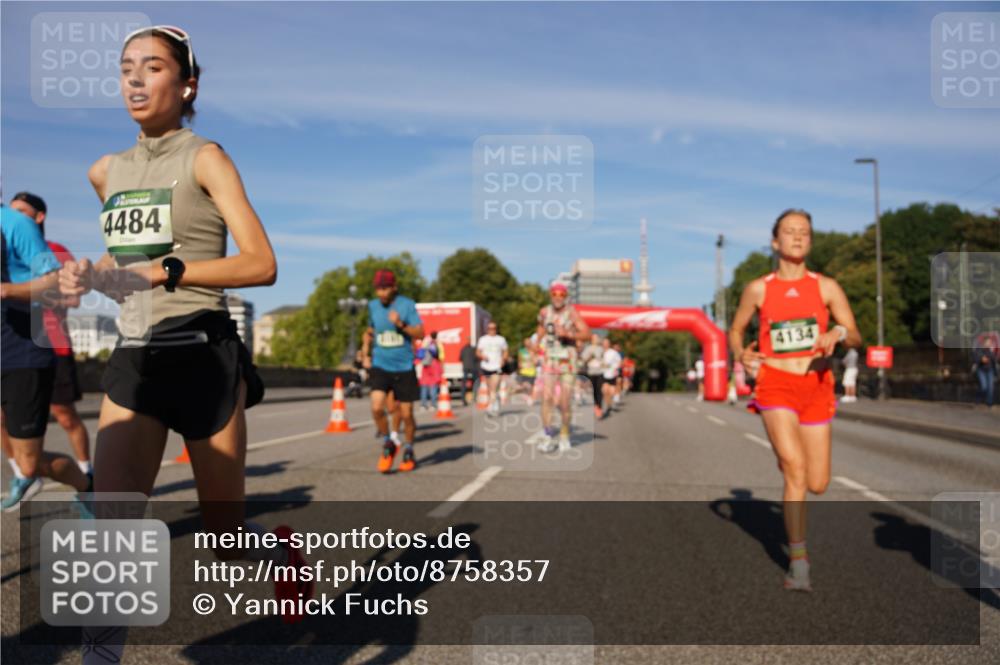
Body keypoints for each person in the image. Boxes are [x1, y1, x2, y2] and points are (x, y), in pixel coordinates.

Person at [57, 27, 311, 657]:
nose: (136, 80)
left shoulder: (207, 157)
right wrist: (88, 277)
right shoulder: (104, 172)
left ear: (187, 84)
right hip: (137, 358)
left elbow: (261, 264)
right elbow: (126, 269)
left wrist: (165, 271)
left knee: (224, 537)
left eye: (153, 67)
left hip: (203, 352)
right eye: (125, 70)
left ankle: (280, 552)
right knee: (113, 528)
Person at [729, 208, 861, 592]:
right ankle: (798, 560)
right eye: (790, 232)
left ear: (811, 240)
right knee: (795, 469)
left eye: (804, 232)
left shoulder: (826, 287)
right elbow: (736, 330)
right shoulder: (759, 288)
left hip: (817, 385)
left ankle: (791, 464)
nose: (798, 237)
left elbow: (855, 336)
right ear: (775, 241)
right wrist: (741, 353)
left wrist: (836, 332)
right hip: (775, 383)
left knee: (818, 482)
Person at [1, 205, 92, 512]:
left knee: (38, 453)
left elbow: (57, 284)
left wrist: (7, 291)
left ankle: (87, 485)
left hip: (22, 351)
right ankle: (22, 475)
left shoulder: (16, 225)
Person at [361, 269, 423, 473]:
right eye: (378, 289)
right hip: (381, 364)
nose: (381, 293)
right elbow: (370, 330)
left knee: (407, 414)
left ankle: (409, 448)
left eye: (385, 288)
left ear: (394, 287)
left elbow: (420, 331)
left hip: (404, 366)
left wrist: (400, 324)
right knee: (377, 407)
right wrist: (365, 351)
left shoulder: (407, 305)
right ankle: (388, 442)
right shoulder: (372, 306)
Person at [536, 282, 591, 452]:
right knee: (547, 398)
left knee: (564, 402)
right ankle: (547, 435)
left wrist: (568, 334)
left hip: (567, 361)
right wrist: (537, 346)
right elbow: (540, 329)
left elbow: (587, 334)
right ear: (551, 295)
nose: (558, 297)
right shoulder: (544, 312)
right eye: (555, 294)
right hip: (550, 360)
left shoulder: (571, 313)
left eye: (561, 295)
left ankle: (564, 434)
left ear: (565, 297)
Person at [476, 321, 508, 416]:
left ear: (496, 329)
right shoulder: (483, 339)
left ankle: (490, 406)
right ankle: (496, 402)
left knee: (494, 387)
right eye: (490, 328)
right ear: (487, 329)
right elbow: (478, 352)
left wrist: (503, 359)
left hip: (497, 366)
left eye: (493, 328)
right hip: (486, 366)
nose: (492, 330)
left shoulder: (501, 339)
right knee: (490, 388)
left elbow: (505, 351)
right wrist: (482, 356)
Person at [581, 333, 605, 419]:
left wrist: (603, 363)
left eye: (597, 338)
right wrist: (589, 357)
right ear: (591, 339)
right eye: (595, 338)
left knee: (599, 390)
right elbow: (583, 360)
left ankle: (599, 407)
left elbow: (604, 360)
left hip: (599, 372)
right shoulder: (588, 348)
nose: (596, 340)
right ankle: (594, 406)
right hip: (590, 372)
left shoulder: (601, 349)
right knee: (592, 391)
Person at [972, 337, 997, 410]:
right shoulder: (979, 350)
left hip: (990, 371)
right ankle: (977, 400)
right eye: (987, 342)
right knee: (984, 386)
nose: (988, 344)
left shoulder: (991, 351)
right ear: (984, 343)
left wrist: (996, 373)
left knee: (990, 388)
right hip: (981, 370)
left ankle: (989, 404)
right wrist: (981, 359)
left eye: (990, 342)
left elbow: (994, 361)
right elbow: (975, 358)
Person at [418, 336, 442, 412]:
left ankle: (423, 405)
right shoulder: (432, 346)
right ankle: (433, 405)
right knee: (433, 387)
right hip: (433, 367)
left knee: (424, 388)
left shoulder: (422, 348)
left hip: (424, 368)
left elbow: (419, 356)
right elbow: (437, 355)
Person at [600, 337, 622, 419]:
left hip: (612, 374)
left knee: (611, 392)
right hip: (602, 374)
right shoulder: (600, 351)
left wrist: (616, 369)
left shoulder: (613, 353)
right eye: (604, 342)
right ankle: (608, 407)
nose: (605, 344)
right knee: (605, 391)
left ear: (609, 344)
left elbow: (620, 362)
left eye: (607, 343)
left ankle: (611, 403)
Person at [459, 340, 478, 406]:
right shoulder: (473, 349)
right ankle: (475, 397)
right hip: (473, 368)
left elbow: (460, 358)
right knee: (476, 382)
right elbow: (477, 357)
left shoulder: (463, 349)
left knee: (464, 384)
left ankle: (463, 399)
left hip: (465, 368)